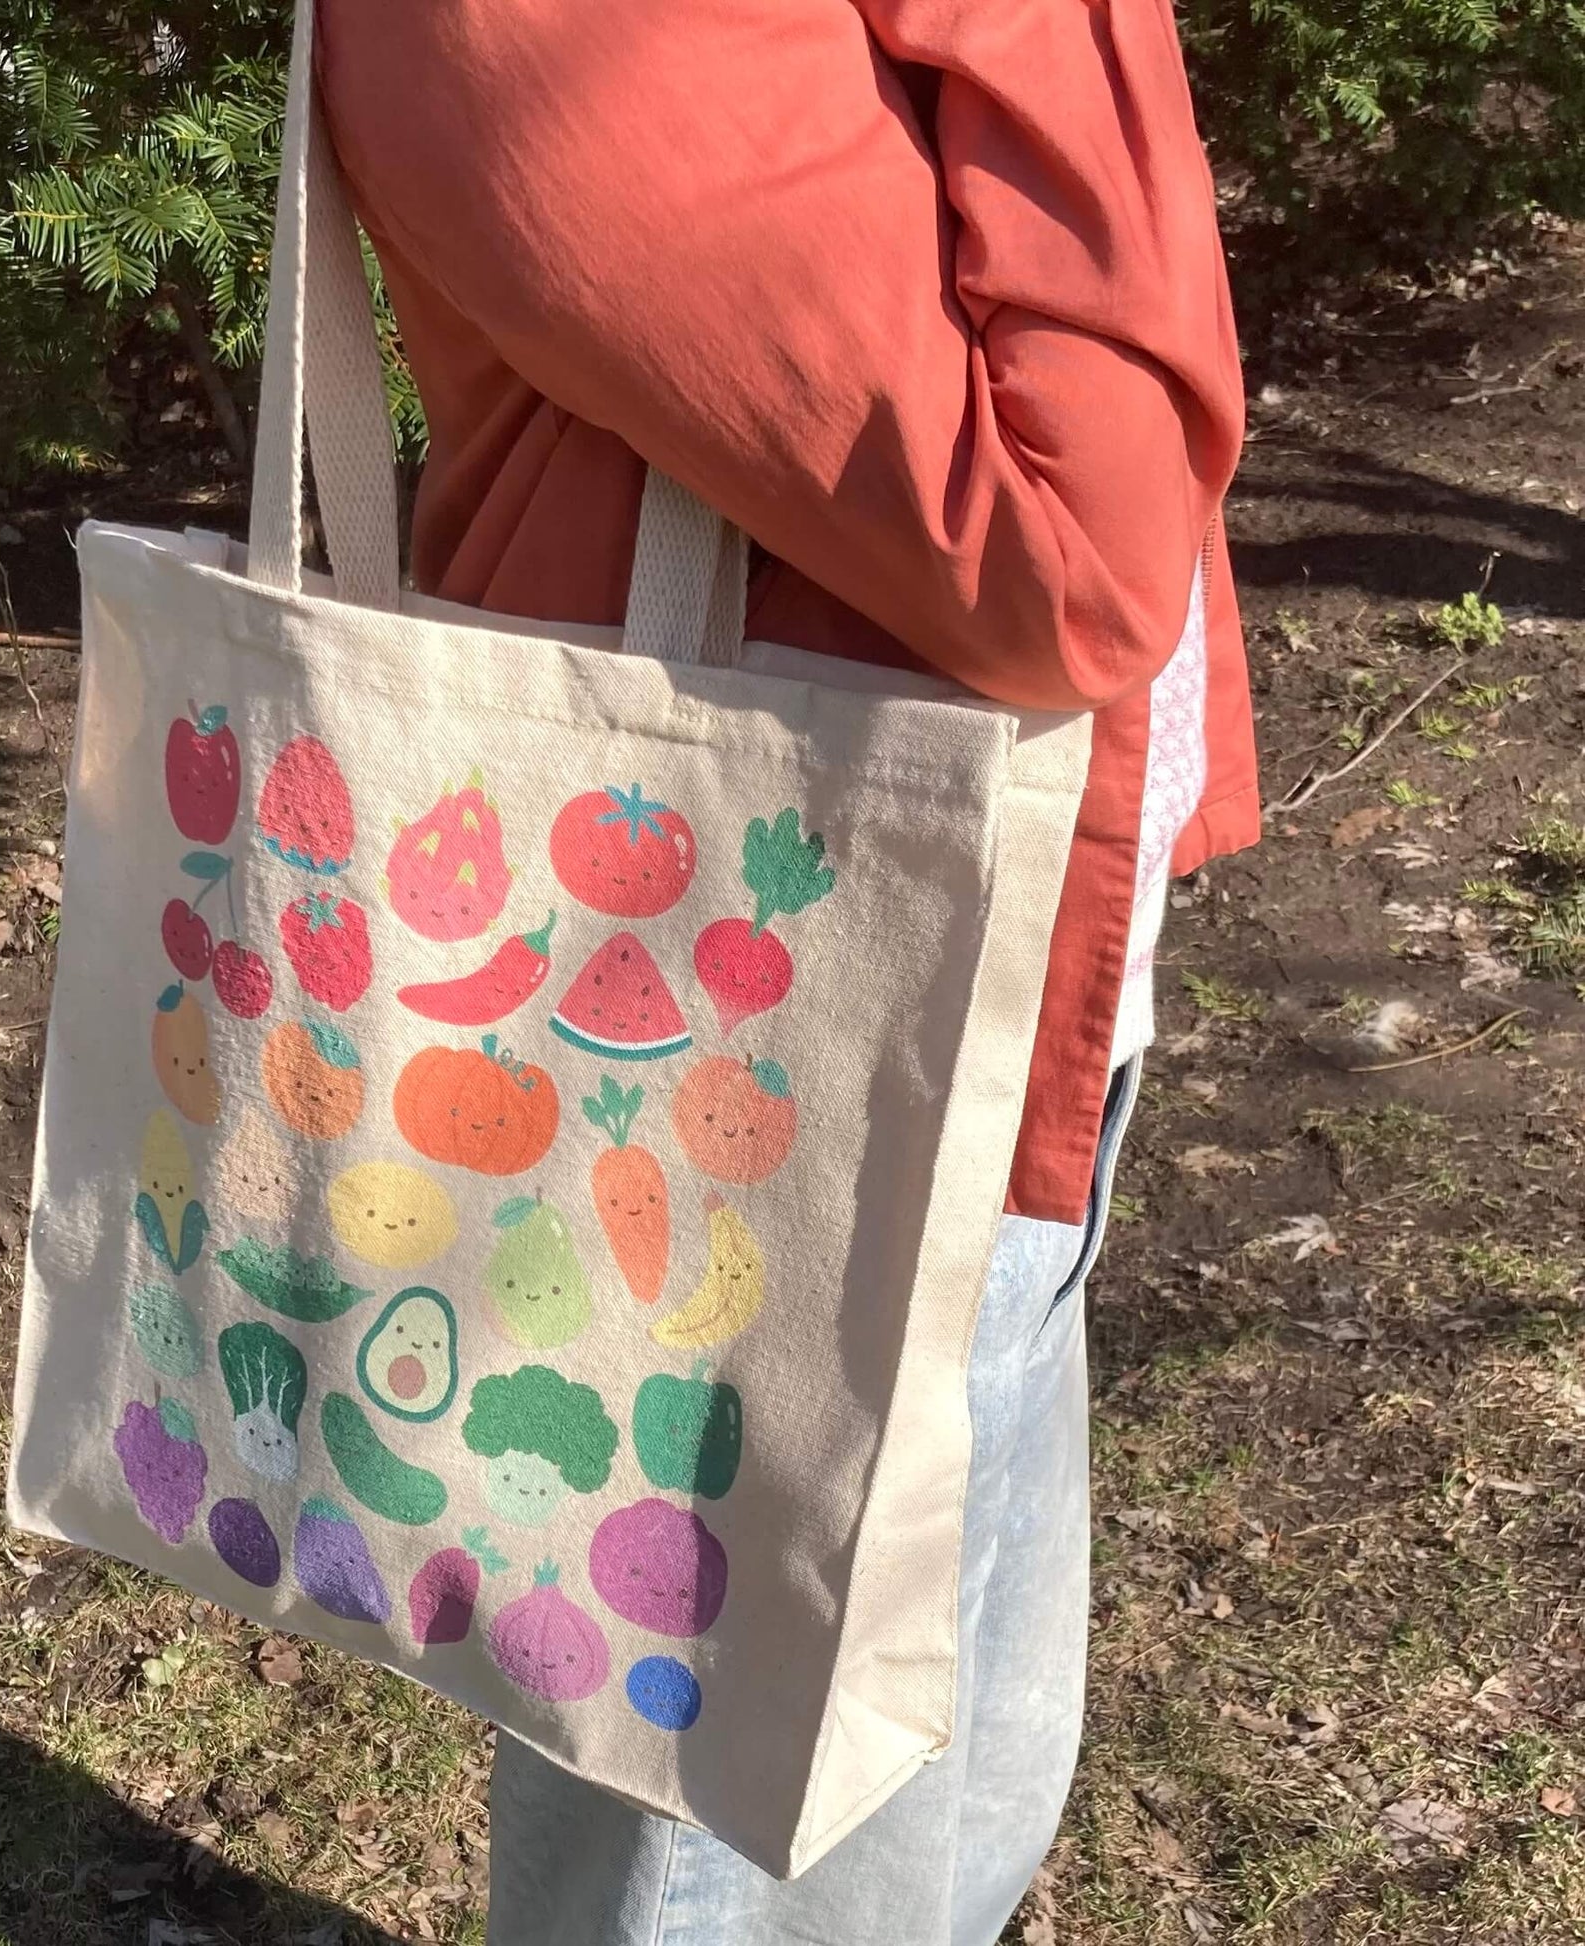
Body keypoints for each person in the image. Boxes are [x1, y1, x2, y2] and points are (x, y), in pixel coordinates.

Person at [318, 2, 1257, 1939]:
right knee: (735, 1812)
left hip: (965, 944)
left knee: (936, 1738)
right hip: (771, 999)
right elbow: (1071, 560)